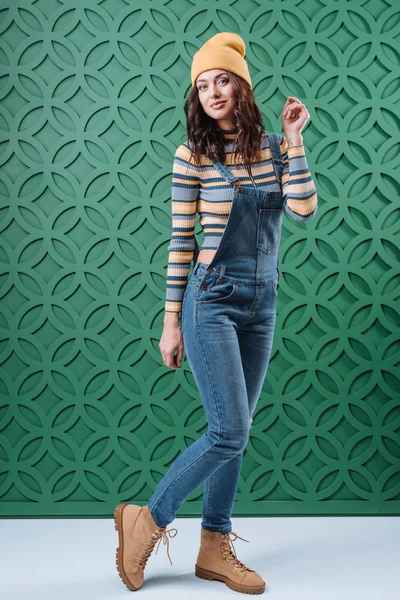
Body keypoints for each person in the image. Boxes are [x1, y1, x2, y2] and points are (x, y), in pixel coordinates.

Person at [114, 32, 317, 594]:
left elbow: (302, 209)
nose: (212, 92)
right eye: (202, 85)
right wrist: (170, 321)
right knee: (228, 430)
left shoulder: (278, 148)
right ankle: (148, 519)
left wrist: (296, 139)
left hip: (262, 301)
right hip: (212, 299)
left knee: (238, 431)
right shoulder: (192, 156)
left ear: (242, 87)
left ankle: (213, 546)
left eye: (222, 80)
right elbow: (182, 241)